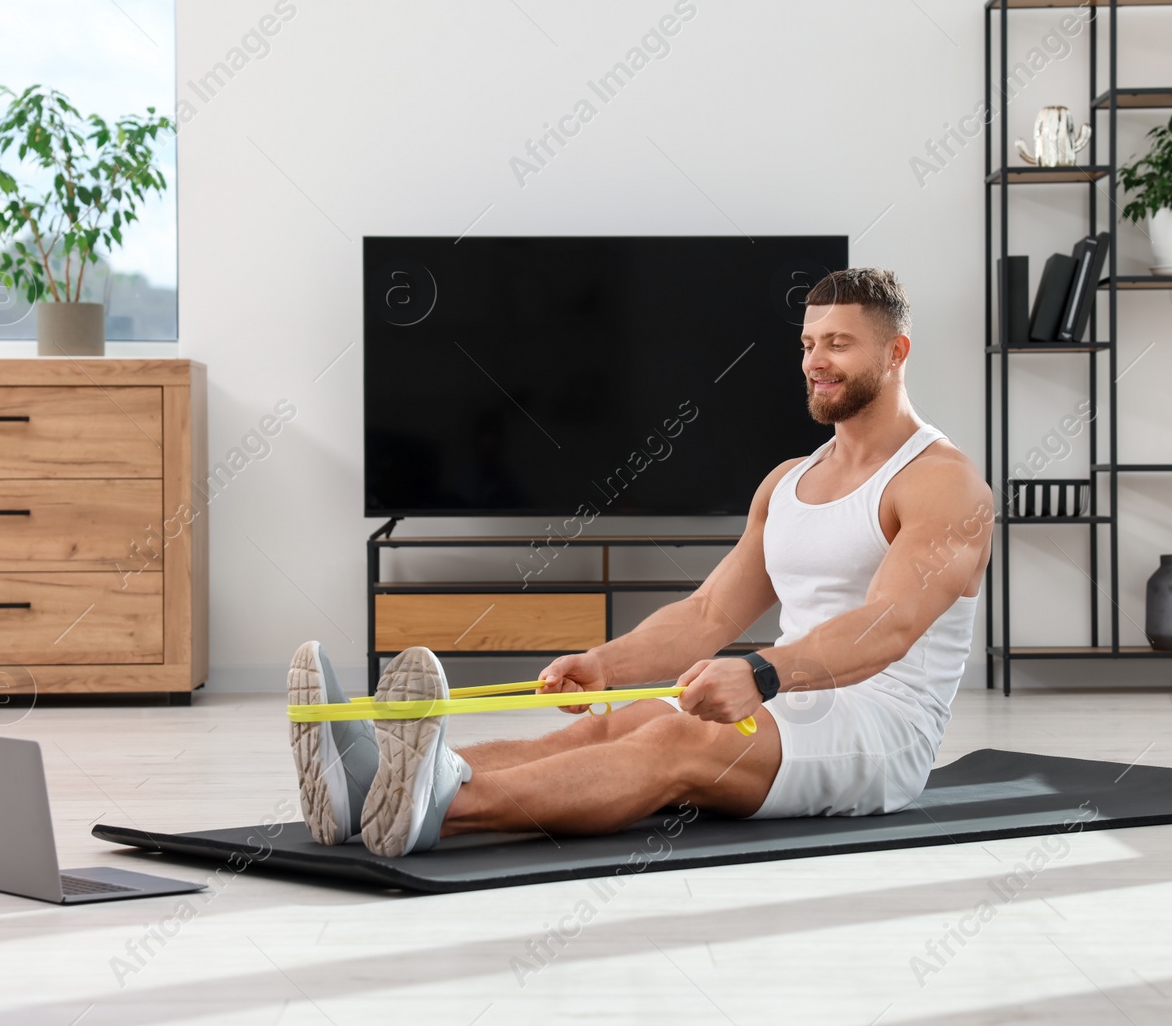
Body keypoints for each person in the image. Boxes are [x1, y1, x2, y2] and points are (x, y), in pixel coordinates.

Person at [288, 267, 994, 856]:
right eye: (808, 342)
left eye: (838, 343)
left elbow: (889, 625)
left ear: (896, 351)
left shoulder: (943, 482)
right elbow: (710, 612)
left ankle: (444, 802)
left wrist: (763, 670)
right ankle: (370, 780)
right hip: (787, 701)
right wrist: (606, 664)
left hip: (882, 731)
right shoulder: (788, 480)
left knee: (674, 739)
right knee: (609, 723)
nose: (815, 359)